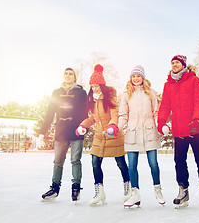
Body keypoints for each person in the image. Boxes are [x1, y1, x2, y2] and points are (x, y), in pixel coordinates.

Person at [157, 55, 199, 208]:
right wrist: (161, 121)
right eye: (172, 63)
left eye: (177, 63)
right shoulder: (168, 84)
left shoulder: (194, 80)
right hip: (179, 129)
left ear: (183, 65)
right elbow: (165, 105)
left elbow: (198, 101)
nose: (174, 65)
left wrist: (197, 120)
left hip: (196, 127)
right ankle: (183, 190)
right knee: (179, 161)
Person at [76, 64, 131, 206]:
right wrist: (83, 125)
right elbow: (93, 118)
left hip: (113, 135)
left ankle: (128, 187)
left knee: (121, 163)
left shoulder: (110, 98)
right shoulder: (92, 100)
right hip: (100, 136)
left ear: (102, 85)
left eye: (97, 85)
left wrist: (113, 126)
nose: (94, 88)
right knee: (95, 162)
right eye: (92, 86)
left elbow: (115, 115)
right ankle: (99, 191)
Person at [118, 65, 165, 207]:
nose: (136, 78)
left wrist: (161, 126)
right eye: (133, 76)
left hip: (149, 131)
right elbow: (123, 115)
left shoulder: (150, 92)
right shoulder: (126, 94)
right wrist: (117, 128)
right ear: (130, 78)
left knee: (153, 164)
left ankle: (158, 189)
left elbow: (156, 112)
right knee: (132, 165)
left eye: (138, 76)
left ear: (143, 77)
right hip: (133, 133)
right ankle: (135, 194)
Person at [39, 67, 88, 202]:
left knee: (75, 160)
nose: (68, 76)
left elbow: (85, 112)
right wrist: (43, 131)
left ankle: (76, 188)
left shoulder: (81, 92)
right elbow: (50, 113)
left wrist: (85, 127)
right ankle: (54, 188)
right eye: (66, 73)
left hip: (76, 130)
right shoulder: (56, 93)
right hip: (61, 131)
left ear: (75, 77)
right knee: (58, 161)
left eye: (70, 74)